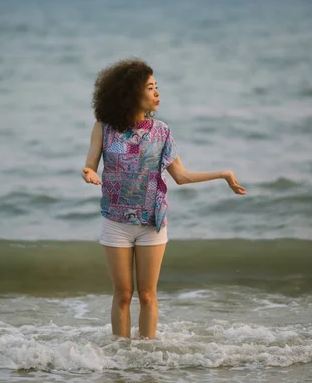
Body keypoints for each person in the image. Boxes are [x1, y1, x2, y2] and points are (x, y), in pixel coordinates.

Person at [82, 58, 246, 339]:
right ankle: (121, 359)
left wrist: (223, 174)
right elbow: (89, 166)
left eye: (157, 86)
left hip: (152, 223)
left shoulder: (162, 132)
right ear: (132, 93)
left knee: (147, 295)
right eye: (150, 87)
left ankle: (146, 360)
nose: (157, 92)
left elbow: (180, 176)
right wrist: (89, 174)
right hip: (116, 222)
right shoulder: (104, 127)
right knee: (122, 295)